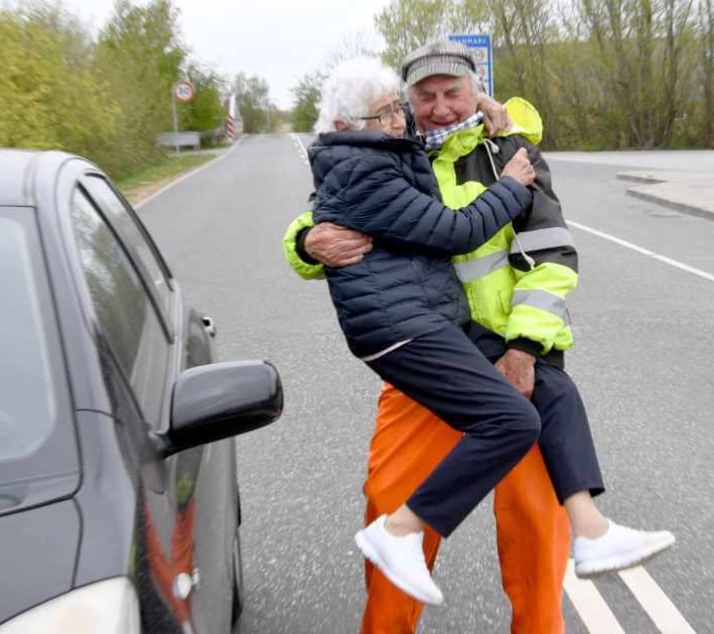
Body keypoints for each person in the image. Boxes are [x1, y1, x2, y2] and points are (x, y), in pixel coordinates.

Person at [283, 40, 674, 632]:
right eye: (425, 96)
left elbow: (554, 261)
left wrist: (524, 350)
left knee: (538, 539)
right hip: (426, 371)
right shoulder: (389, 148)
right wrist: (307, 242)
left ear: (476, 91)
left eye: (453, 92)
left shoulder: (510, 154)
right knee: (390, 510)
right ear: (405, 102)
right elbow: (325, 211)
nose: (440, 107)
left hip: (511, 361)